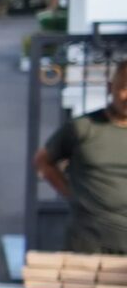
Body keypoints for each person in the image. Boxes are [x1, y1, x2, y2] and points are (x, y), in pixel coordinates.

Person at [33, 58, 127, 255]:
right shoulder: (83, 127)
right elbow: (43, 161)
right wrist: (72, 193)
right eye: (125, 87)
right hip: (88, 243)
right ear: (110, 87)